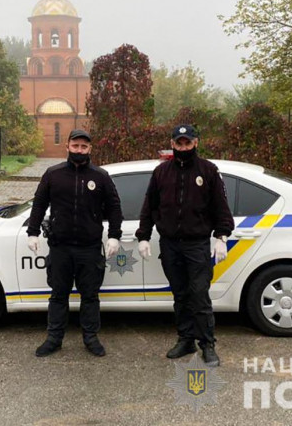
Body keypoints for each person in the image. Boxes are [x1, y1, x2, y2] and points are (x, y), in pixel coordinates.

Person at [135, 124, 234, 366]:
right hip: (170, 244)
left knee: (199, 296)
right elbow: (150, 206)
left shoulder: (208, 171)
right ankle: (185, 339)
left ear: (196, 143)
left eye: (187, 143)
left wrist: (222, 237)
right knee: (180, 296)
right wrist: (144, 236)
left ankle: (207, 344)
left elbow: (220, 206)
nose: (183, 147)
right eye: (179, 143)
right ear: (172, 144)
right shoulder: (161, 172)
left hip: (196, 245)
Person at [27, 129, 123, 357]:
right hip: (60, 247)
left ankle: (90, 338)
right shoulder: (53, 174)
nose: (79, 150)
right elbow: (39, 204)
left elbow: (114, 207)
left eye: (84, 147)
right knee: (58, 295)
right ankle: (54, 338)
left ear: (90, 149)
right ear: (68, 147)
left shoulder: (100, 176)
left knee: (90, 296)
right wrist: (32, 231)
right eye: (76, 146)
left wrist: (114, 235)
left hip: (89, 249)